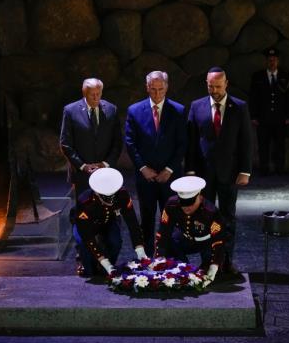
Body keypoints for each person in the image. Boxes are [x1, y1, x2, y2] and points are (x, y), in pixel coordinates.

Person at [186, 67, 253, 275]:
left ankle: (225, 262)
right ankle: (207, 262)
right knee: (203, 219)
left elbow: (246, 141)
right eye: (210, 86)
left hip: (230, 173)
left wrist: (245, 171)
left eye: (217, 86)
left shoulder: (239, 107)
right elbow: (191, 143)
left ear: (226, 84)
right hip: (203, 175)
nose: (213, 90)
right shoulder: (197, 106)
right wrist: (189, 171)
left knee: (227, 218)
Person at [125, 71, 187, 257]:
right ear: (147, 87)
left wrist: (169, 169)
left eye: (161, 89)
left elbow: (182, 143)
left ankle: (168, 257)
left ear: (167, 87)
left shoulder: (178, 110)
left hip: (170, 176)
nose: (157, 94)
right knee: (146, 218)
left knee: (170, 218)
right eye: (153, 89)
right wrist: (143, 168)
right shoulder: (134, 111)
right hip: (146, 178)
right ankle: (147, 258)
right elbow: (130, 142)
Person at [72, 168, 148, 277]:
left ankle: (108, 267)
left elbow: (132, 223)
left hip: (108, 221)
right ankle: (85, 260)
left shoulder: (122, 195)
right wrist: (103, 261)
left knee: (115, 242)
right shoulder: (85, 202)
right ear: (97, 193)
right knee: (88, 265)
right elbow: (87, 236)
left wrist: (140, 250)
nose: (110, 201)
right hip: (86, 225)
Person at [155, 176, 226, 286]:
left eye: (191, 203)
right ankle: (182, 267)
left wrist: (214, 267)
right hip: (185, 239)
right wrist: (159, 258)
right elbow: (163, 232)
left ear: (199, 196)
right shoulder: (172, 205)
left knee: (208, 275)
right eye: (183, 204)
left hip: (207, 242)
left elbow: (219, 241)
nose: (187, 208)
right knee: (171, 246)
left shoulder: (210, 212)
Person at [60, 78, 122, 202]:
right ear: (84, 93)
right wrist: (83, 166)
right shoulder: (70, 111)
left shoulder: (111, 109)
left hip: (106, 171)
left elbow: (118, 142)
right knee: (84, 211)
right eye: (92, 94)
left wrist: (105, 164)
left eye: (98, 94)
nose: (96, 98)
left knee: (107, 209)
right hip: (81, 173)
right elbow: (65, 143)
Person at [249, 48, 289, 175]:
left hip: (280, 117)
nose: (272, 62)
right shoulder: (257, 77)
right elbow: (253, 97)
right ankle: (264, 169)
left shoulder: (286, 76)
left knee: (280, 144)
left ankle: (280, 169)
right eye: (269, 60)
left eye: (274, 60)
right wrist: (253, 115)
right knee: (263, 144)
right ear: (266, 61)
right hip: (263, 117)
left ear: (278, 61)